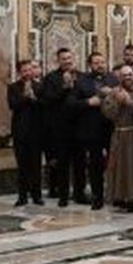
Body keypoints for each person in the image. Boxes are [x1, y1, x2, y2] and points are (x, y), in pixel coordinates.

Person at [38, 48, 83, 207]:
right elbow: (48, 100)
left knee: (79, 163)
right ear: (58, 60)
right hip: (60, 128)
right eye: (64, 59)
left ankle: (79, 194)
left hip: (79, 127)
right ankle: (63, 196)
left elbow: (84, 97)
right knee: (62, 164)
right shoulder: (50, 78)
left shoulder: (81, 76)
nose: (67, 61)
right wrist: (64, 87)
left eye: (69, 58)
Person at [75, 52, 114, 210]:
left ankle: (114, 195)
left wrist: (110, 94)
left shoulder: (113, 79)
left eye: (102, 62)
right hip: (92, 129)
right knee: (95, 165)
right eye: (96, 62)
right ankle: (97, 197)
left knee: (114, 163)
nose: (100, 65)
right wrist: (88, 102)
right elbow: (72, 104)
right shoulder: (82, 81)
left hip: (112, 128)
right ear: (90, 65)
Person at [101, 67, 133, 209]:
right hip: (119, 133)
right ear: (119, 77)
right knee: (117, 168)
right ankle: (119, 196)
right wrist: (117, 102)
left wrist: (130, 103)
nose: (127, 77)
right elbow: (108, 113)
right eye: (124, 75)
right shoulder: (114, 92)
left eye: (130, 74)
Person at [7, 58, 44, 206]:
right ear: (19, 72)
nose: (27, 73)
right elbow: (12, 105)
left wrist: (34, 98)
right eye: (24, 71)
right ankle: (22, 196)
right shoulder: (13, 87)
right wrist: (24, 97)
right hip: (20, 132)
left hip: (36, 131)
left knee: (36, 165)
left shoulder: (40, 86)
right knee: (22, 166)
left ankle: (37, 195)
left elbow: (44, 106)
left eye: (29, 70)